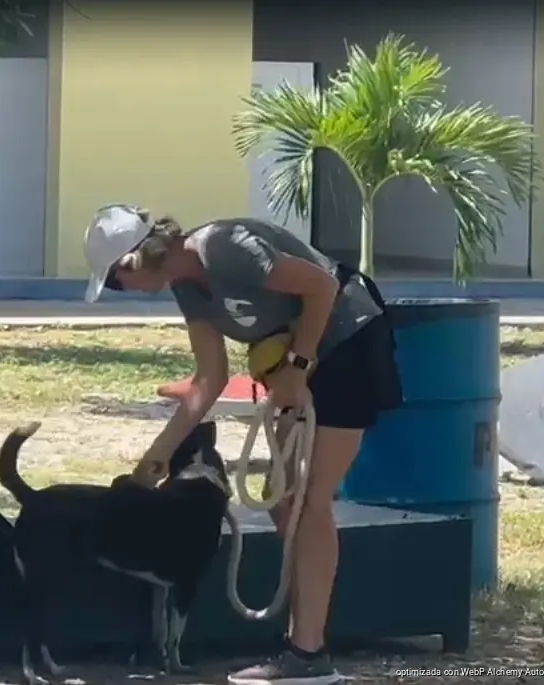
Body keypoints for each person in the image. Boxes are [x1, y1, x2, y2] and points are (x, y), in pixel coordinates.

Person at [82, 205, 403, 685]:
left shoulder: (224, 248)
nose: (119, 291)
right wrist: (158, 456)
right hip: (299, 361)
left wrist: (297, 367)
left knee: (310, 497)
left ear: (134, 260)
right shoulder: (186, 286)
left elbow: (322, 286)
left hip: (348, 339)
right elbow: (209, 377)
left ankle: (308, 653)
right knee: (282, 498)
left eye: (114, 282)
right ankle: (304, 639)